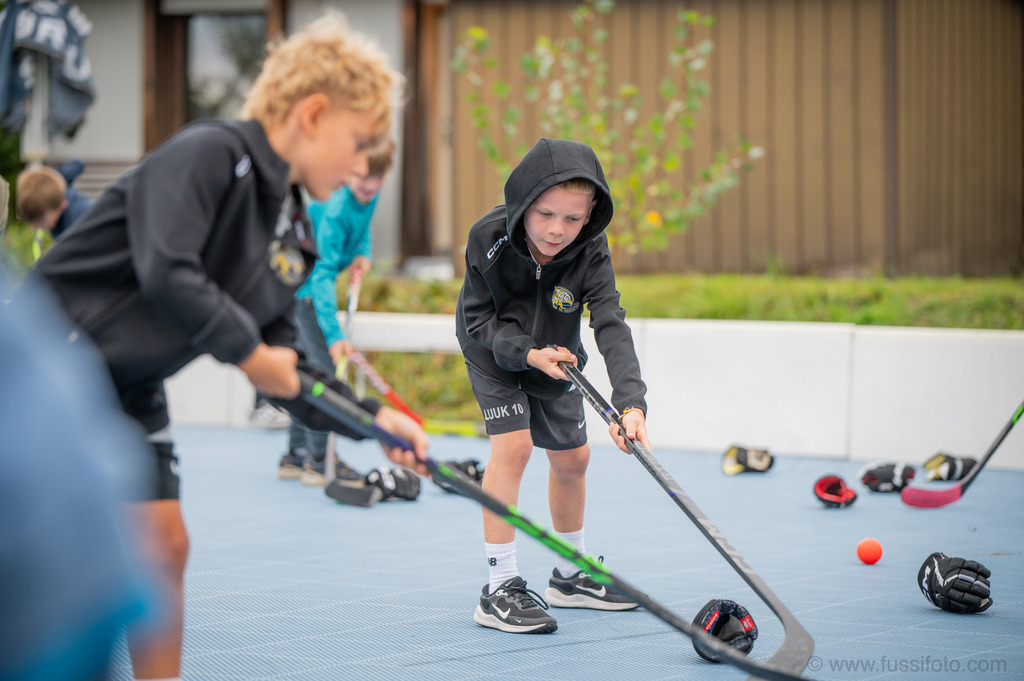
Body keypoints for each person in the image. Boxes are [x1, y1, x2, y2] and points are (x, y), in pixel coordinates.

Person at [23, 12, 427, 680]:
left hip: (130, 387)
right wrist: (249, 351)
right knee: (41, 559)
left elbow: (287, 369)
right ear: (314, 113)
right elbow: (167, 268)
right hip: (52, 369)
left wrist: (372, 421)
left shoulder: (295, 230)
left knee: (165, 545)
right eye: (359, 141)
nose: (362, 163)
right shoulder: (210, 152)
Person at [455, 137, 652, 634]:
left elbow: (610, 321)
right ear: (523, 203)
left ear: (589, 217)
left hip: (559, 360)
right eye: (544, 213)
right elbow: (476, 320)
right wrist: (525, 353)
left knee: (573, 458)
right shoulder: (487, 238)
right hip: (495, 353)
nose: (556, 230)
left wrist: (631, 404)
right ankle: (499, 588)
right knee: (514, 448)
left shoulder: (590, 250)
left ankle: (569, 576)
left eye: (572, 218)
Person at [279, 136, 394, 486]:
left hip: (312, 291)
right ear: (350, 172)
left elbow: (361, 231)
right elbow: (322, 275)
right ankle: (317, 460)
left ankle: (295, 456)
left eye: (377, 179)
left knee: (308, 372)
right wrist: (334, 335)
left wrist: (363, 253)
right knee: (322, 374)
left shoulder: (366, 197)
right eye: (362, 179)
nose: (369, 187)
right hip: (306, 293)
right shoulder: (334, 208)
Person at [15, 159, 94, 259]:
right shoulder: (55, 188)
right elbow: (78, 164)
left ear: (62, 206)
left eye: (40, 221)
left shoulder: (77, 227)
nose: (34, 227)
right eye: (30, 220)